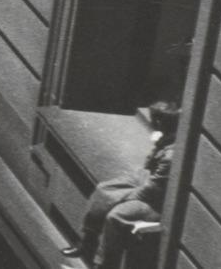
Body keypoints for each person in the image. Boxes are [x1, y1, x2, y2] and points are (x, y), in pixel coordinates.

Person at [61, 102, 180, 268]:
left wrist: (121, 198)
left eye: (155, 121)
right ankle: (87, 242)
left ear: (163, 123)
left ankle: (105, 265)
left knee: (116, 216)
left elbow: (152, 191)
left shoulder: (171, 154)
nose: (152, 125)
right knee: (104, 190)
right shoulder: (167, 138)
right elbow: (148, 166)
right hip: (146, 178)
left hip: (157, 200)